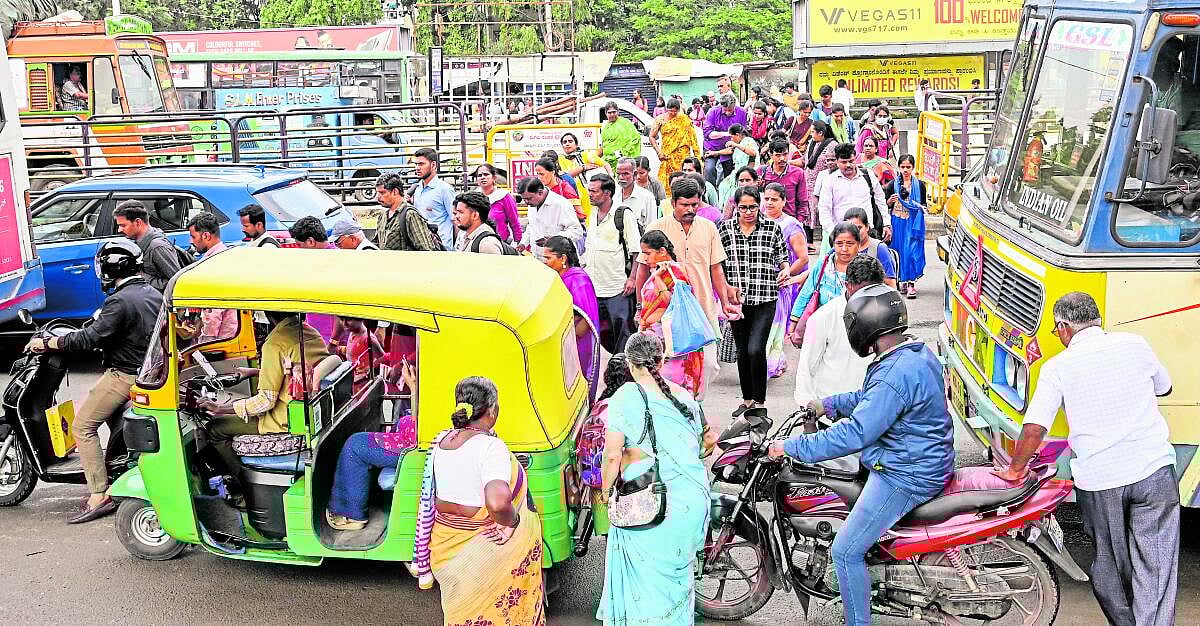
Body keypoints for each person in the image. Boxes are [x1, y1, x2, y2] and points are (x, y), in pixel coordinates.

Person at [767, 283, 954, 626]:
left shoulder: (894, 372)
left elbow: (857, 433)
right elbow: (871, 399)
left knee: (845, 550)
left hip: (906, 473)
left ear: (866, 326)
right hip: (917, 457)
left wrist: (791, 446)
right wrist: (829, 404)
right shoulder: (910, 352)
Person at [996, 292, 1177, 626]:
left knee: (1111, 566)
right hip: (1154, 471)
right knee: (1157, 564)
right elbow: (1164, 387)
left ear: (1064, 327)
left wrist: (1014, 470)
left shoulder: (1058, 367)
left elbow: (1034, 428)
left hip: (1102, 480)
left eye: (1055, 330)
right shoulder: (1135, 343)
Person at [24, 240, 162, 523]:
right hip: (147, 372)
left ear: (111, 268)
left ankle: (99, 494)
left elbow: (89, 338)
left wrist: (49, 342)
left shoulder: (120, 300)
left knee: (82, 426)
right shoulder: (151, 293)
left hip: (124, 375)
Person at [410, 377, 545, 625]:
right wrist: (513, 522)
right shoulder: (490, 448)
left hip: (445, 544)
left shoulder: (441, 443)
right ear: (492, 411)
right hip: (483, 545)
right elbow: (497, 503)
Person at [597, 333, 710, 626]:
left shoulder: (625, 397)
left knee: (646, 591)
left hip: (650, 503)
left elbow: (611, 455)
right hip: (690, 503)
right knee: (678, 587)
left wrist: (605, 490)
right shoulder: (684, 396)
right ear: (661, 361)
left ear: (630, 364)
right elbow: (701, 447)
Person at [197, 312, 331, 479]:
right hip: (309, 413)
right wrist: (255, 372)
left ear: (267, 315)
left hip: (283, 422)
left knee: (215, 428)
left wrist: (218, 408)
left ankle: (242, 488)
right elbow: (295, 374)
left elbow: (265, 401)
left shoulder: (275, 344)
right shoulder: (310, 332)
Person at [718, 186, 788, 415]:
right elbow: (718, 263)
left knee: (756, 349)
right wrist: (724, 289)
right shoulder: (726, 230)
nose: (748, 212)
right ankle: (747, 399)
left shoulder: (772, 228)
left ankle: (760, 400)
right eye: (743, 208)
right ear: (736, 207)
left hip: (765, 297)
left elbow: (782, 257)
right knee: (742, 350)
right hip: (737, 300)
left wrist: (785, 269)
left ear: (759, 206)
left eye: (753, 207)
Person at [326, 358, 417, 530]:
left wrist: (413, 387)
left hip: (415, 443)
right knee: (359, 440)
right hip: (412, 434)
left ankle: (351, 515)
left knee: (356, 446)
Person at [793, 256, 879, 406]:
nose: (869, 297)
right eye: (863, 291)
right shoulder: (823, 317)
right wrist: (807, 410)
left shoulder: (884, 313)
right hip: (831, 410)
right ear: (848, 285)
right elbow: (806, 367)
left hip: (871, 405)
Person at [585, 174, 641, 356]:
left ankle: (624, 379)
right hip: (594, 288)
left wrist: (633, 278)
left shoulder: (623, 215)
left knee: (622, 336)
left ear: (607, 193)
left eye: (594, 191)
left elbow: (636, 251)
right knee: (601, 339)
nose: (590, 195)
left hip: (618, 288)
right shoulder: (592, 214)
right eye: (589, 191)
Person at [760, 183, 809, 378]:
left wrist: (786, 275)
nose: (769, 203)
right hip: (759, 283)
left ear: (783, 201)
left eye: (774, 199)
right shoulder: (757, 221)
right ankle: (773, 361)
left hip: (780, 284)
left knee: (774, 326)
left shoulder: (791, 226)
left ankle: (771, 364)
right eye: (767, 199)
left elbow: (803, 258)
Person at [787, 221, 864, 345]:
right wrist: (793, 324)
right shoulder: (823, 264)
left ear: (859, 245)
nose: (844, 249)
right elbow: (806, 292)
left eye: (850, 243)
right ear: (833, 245)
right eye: (839, 244)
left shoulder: (865, 267)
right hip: (821, 326)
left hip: (852, 329)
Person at [543, 235, 600, 391]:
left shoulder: (579, 281)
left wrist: (569, 339)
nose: (545, 262)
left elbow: (586, 320)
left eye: (548, 258)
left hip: (576, 343)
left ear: (563, 258)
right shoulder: (556, 278)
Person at [818, 143, 890, 250]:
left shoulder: (868, 176)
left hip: (867, 234)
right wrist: (833, 231)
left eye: (851, 161)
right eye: (843, 162)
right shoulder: (830, 181)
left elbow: (880, 201)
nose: (848, 165)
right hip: (842, 237)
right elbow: (824, 209)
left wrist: (887, 224)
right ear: (837, 162)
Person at [186, 213, 237, 341]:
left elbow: (214, 308)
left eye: (193, 236)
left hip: (220, 337)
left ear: (206, 236)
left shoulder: (215, 263)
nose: (190, 241)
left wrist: (206, 341)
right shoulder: (224, 256)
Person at [113, 199, 183, 292]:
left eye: (123, 225)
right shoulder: (138, 241)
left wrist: (140, 277)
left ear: (138, 222)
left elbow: (177, 283)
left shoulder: (157, 247)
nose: (119, 230)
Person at [884, 155, 927, 298]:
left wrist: (917, 206)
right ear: (899, 167)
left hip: (912, 223)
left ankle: (911, 284)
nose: (905, 170)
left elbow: (925, 207)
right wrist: (890, 201)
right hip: (897, 222)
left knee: (911, 252)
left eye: (908, 167)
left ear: (913, 168)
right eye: (903, 167)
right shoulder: (892, 185)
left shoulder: (919, 185)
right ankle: (901, 280)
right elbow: (885, 206)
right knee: (898, 252)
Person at [517, 177, 584, 257]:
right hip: (538, 258)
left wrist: (553, 240)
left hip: (559, 259)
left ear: (540, 192)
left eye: (528, 199)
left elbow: (577, 231)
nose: (526, 202)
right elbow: (532, 226)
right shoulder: (532, 203)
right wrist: (523, 243)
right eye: (524, 199)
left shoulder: (561, 204)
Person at [373, 172, 441, 251]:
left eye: (382, 192)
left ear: (395, 191)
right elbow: (377, 243)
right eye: (377, 192)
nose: (378, 197)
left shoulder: (410, 215)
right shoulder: (383, 216)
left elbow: (426, 250)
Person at [409, 147, 456, 250]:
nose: (417, 168)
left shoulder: (445, 190)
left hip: (442, 248)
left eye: (421, 164)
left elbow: (456, 220)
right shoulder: (416, 189)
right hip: (422, 247)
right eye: (416, 164)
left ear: (433, 165)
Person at [649, 97, 700, 191]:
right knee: (666, 184)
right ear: (666, 109)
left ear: (678, 110)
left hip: (682, 156)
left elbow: (693, 139)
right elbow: (651, 136)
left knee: (684, 182)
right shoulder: (660, 119)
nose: (672, 114)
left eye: (675, 112)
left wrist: (698, 157)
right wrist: (658, 152)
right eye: (670, 111)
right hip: (667, 156)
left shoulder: (684, 119)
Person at [843, 207, 898, 289]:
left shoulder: (879, 248)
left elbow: (891, 284)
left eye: (859, 228)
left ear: (867, 227)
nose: (855, 232)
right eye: (851, 229)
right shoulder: (842, 249)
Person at [702, 93, 749, 188]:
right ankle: (710, 192)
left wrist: (735, 144)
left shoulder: (742, 112)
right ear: (721, 106)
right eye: (725, 110)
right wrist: (727, 134)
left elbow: (743, 133)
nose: (727, 113)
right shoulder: (713, 112)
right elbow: (707, 133)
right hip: (712, 147)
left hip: (731, 149)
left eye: (730, 110)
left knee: (730, 172)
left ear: (735, 106)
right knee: (709, 169)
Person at [758, 137, 808, 224]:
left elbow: (803, 201)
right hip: (767, 222)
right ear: (770, 155)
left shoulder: (798, 173)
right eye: (778, 155)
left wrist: (798, 222)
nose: (782, 158)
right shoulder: (762, 172)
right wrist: (759, 187)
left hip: (789, 221)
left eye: (785, 154)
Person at [802, 120, 838, 239]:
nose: (811, 134)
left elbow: (834, 162)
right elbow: (805, 160)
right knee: (808, 211)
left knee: (822, 210)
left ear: (821, 133)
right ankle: (809, 241)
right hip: (809, 182)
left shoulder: (832, 145)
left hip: (824, 182)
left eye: (813, 132)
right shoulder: (812, 143)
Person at [473, 164, 522, 243]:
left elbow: (514, 222)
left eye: (486, 174)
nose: (482, 177)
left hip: (501, 242)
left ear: (494, 178)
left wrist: (519, 242)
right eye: (479, 175)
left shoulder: (504, 196)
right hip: (478, 241)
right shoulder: (473, 197)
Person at [534, 156, 586, 221]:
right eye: (537, 174)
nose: (539, 177)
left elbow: (581, 215)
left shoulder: (565, 189)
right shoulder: (539, 189)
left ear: (553, 172)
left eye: (542, 174)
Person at [599, 102, 642, 171]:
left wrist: (621, 154)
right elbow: (604, 145)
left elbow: (635, 139)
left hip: (622, 164)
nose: (612, 114)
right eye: (609, 113)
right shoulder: (605, 127)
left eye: (614, 112)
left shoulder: (625, 123)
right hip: (608, 164)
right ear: (606, 113)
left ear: (618, 112)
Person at [615, 157, 658, 226]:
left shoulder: (647, 197)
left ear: (635, 174)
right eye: (618, 174)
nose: (621, 177)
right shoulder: (613, 195)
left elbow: (651, 227)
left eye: (625, 174)